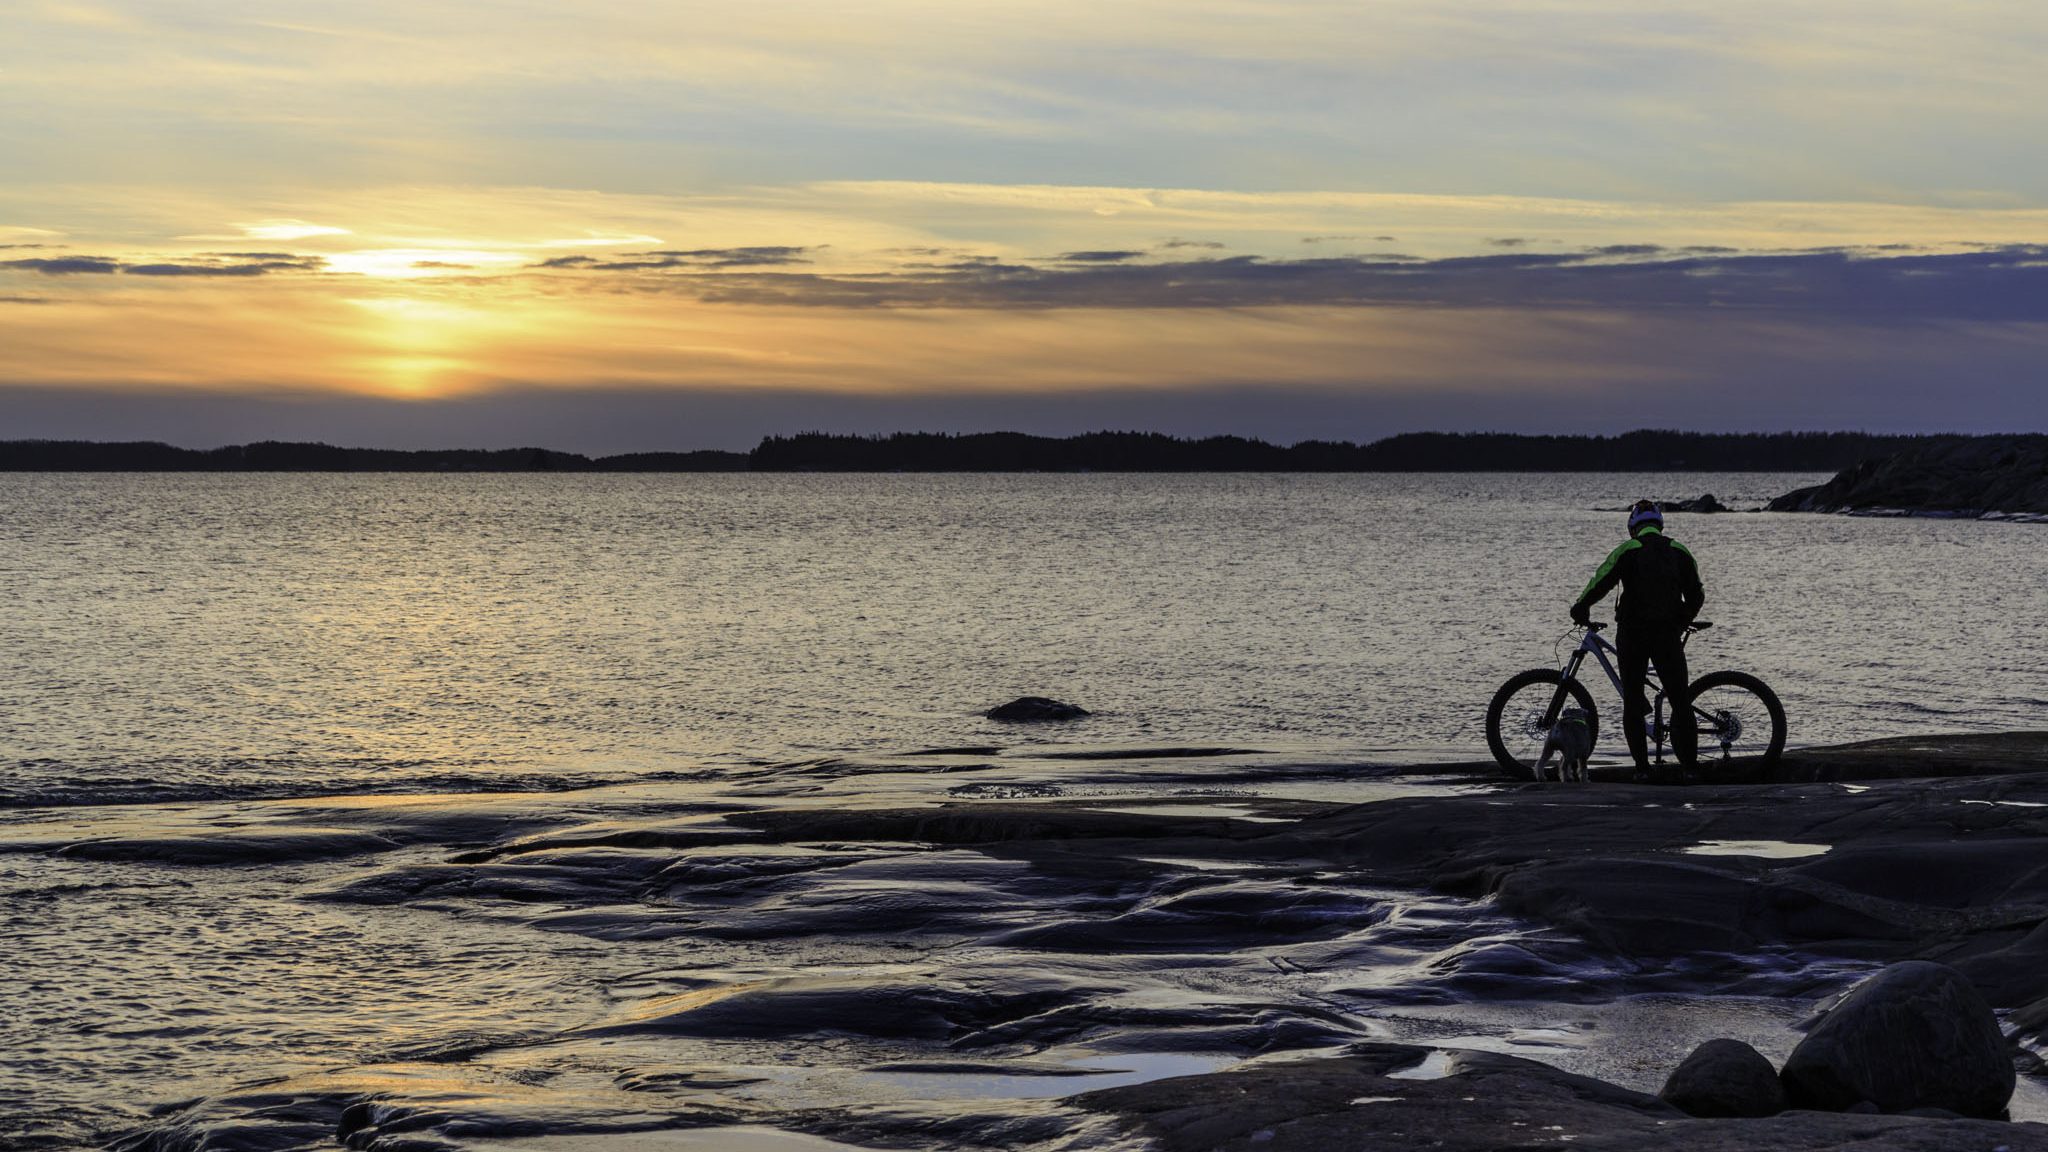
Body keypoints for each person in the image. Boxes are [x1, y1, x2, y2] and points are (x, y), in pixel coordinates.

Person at [1570, 499, 1705, 780]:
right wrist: (1681, 621)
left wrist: (1581, 607)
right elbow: (1697, 595)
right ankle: (1690, 770)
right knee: (1680, 701)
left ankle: (1642, 771)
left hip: (1633, 633)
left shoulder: (1627, 550)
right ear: (1659, 525)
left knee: (1632, 701)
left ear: (1633, 527)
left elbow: (1601, 580)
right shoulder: (1679, 550)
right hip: (1667, 633)